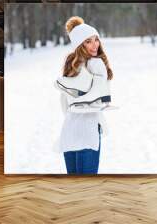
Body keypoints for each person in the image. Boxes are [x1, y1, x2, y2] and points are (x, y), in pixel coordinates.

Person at [58, 16, 114, 175]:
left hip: (75, 127)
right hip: (80, 128)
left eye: (96, 39)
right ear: (78, 44)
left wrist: (74, 108)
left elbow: (67, 100)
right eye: (88, 41)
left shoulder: (93, 63)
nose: (95, 44)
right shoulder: (75, 64)